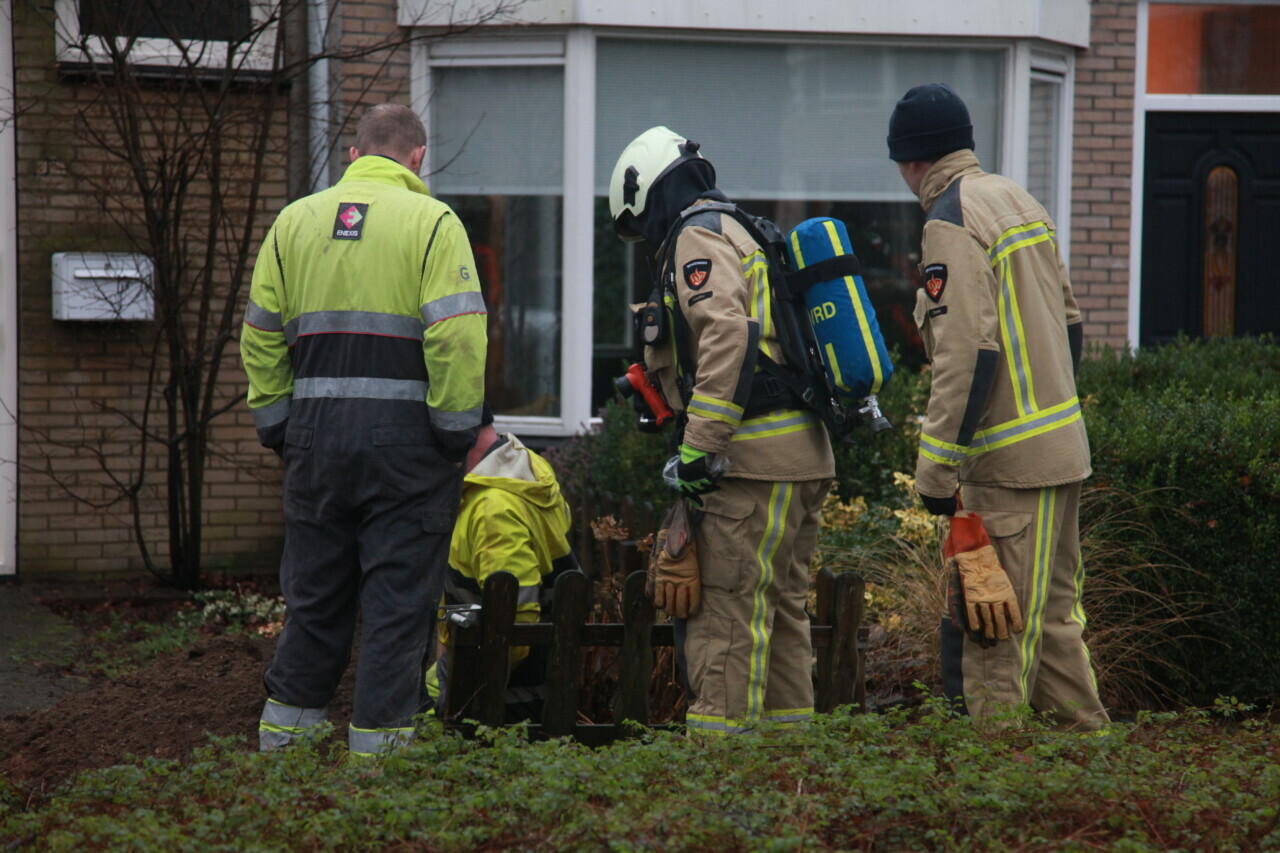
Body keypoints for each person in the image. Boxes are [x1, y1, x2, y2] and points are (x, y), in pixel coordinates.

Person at [240, 103, 488, 755]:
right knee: (397, 611)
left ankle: (281, 758)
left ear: (353, 156)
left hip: (314, 444)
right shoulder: (433, 223)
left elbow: (261, 335)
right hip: (408, 451)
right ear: (417, 159)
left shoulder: (294, 222)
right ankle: (378, 781)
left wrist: (278, 426)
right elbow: (457, 338)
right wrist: (455, 431)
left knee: (315, 604)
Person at [887, 83, 1109, 730]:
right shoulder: (1019, 200)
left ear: (913, 161)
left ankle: (994, 811)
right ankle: (1096, 784)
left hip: (1008, 470)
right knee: (1056, 626)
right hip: (1063, 454)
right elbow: (1070, 326)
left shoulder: (949, 220)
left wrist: (934, 474)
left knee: (994, 639)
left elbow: (967, 357)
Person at [608, 127, 835, 736]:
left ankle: (720, 792)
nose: (647, 240)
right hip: (803, 456)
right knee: (783, 616)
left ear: (647, 193)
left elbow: (727, 333)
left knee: (725, 625)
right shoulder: (745, 228)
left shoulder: (695, 235)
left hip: (748, 464)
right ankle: (792, 782)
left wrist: (696, 451)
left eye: (641, 225)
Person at [424, 421, 574, 723]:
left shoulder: (493, 508)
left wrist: (467, 694)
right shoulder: (523, 470)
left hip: (507, 699)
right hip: (534, 681)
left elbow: (514, 623)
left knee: (404, 707)